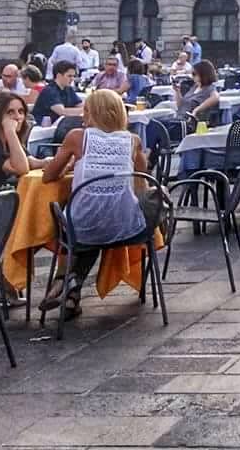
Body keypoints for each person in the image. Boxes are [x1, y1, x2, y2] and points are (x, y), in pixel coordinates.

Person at [39, 89, 159, 318]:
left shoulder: (76, 137)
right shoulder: (133, 141)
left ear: (93, 113)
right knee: (134, 207)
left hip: (81, 227)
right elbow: (141, 182)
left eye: (86, 110)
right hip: (126, 227)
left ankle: (65, 280)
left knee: (84, 223)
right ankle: (71, 290)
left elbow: (47, 177)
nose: (83, 115)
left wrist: (70, 166)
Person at [33, 60, 84, 126]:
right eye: (69, 76)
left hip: (59, 125)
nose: (72, 79)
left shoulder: (68, 89)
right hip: (43, 128)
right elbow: (62, 111)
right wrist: (86, 111)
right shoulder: (49, 91)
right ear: (59, 75)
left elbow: (80, 104)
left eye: (73, 76)